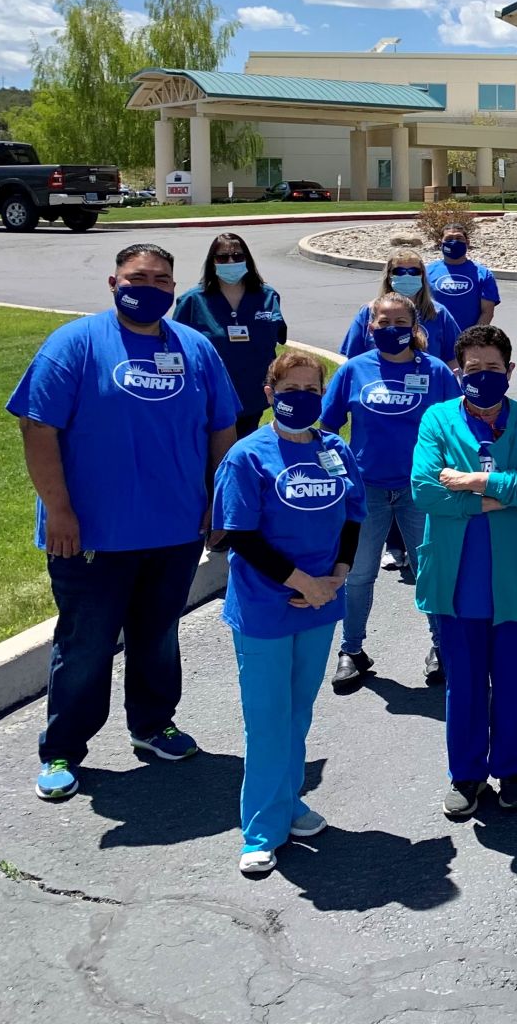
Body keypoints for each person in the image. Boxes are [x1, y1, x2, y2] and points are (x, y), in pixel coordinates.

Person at [12, 244, 239, 803]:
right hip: (91, 535)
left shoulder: (196, 349)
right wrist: (60, 510)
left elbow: (221, 429)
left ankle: (153, 724)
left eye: (163, 279)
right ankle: (62, 748)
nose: (151, 286)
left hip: (174, 530)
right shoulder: (75, 343)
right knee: (85, 644)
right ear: (114, 282)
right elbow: (37, 428)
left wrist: (218, 499)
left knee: (157, 636)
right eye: (139, 277)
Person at [212, 350, 364, 875]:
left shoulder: (334, 449)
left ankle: (289, 803)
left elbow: (353, 517)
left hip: (320, 604)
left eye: (312, 390)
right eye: (291, 389)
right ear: (271, 393)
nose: (303, 398)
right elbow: (240, 534)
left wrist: (338, 575)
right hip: (267, 607)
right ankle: (259, 829)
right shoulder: (248, 456)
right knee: (267, 720)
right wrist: (302, 582)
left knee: (298, 714)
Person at [411, 325, 517, 821]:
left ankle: (514, 768)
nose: (483, 377)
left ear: (510, 371)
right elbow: (426, 491)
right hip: (458, 579)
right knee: (466, 682)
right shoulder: (436, 420)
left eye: (492, 369)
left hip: (516, 575)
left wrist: (475, 482)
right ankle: (467, 774)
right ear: (458, 373)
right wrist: (499, 497)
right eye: (473, 369)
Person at [319, 293, 459, 691]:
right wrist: (335, 478)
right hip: (367, 491)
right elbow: (326, 430)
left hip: (421, 489)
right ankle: (352, 651)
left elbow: (457, 428)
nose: (392, 330)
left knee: (430, 572)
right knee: (358, 574)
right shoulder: (354, 371)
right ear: (370, 327)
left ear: (415, 328)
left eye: (401, 323)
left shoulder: (435, 372)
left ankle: (443, 648)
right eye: (384, 322)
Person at [172, 231, 288, 439]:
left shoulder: (267, 296)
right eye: (223, 257)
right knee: (211, 459)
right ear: (212, 262)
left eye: (238, 256)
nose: (231, 261)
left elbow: (277, 339)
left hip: (252, 394)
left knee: (242, 453)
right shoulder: (193, 300)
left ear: (248, 260)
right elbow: (176, 350)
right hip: (209, 396)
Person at [339, 251, 459, 367]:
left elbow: (453, 359)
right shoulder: (368, 312)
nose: (407, 276)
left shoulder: (438, 313)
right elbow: (354, 358)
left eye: (414, 271)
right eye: (399, 271)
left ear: (422, 275)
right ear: (389, 276)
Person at [427, 221, 500, 334]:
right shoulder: (427, 272)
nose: (454, 242)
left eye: (459, 238)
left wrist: (472, 338)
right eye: (449, 238)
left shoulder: (483, 274)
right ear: (441, 243)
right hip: (434, 339)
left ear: (467, 243)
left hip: (467, 340)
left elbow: (487, 312)